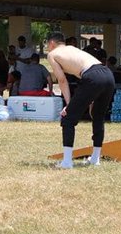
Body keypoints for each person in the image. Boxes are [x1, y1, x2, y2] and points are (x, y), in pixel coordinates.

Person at [46, 32, 115, 168]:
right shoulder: (72, 49)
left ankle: (67, 162)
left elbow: (61, 80)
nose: (48, 48)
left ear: (52, 43)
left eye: (47, 45)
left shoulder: (52, 54)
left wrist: (68, 104)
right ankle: (95, 159)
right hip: (107, 74)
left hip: (92, 76)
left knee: (68, 118)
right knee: (98, 116)